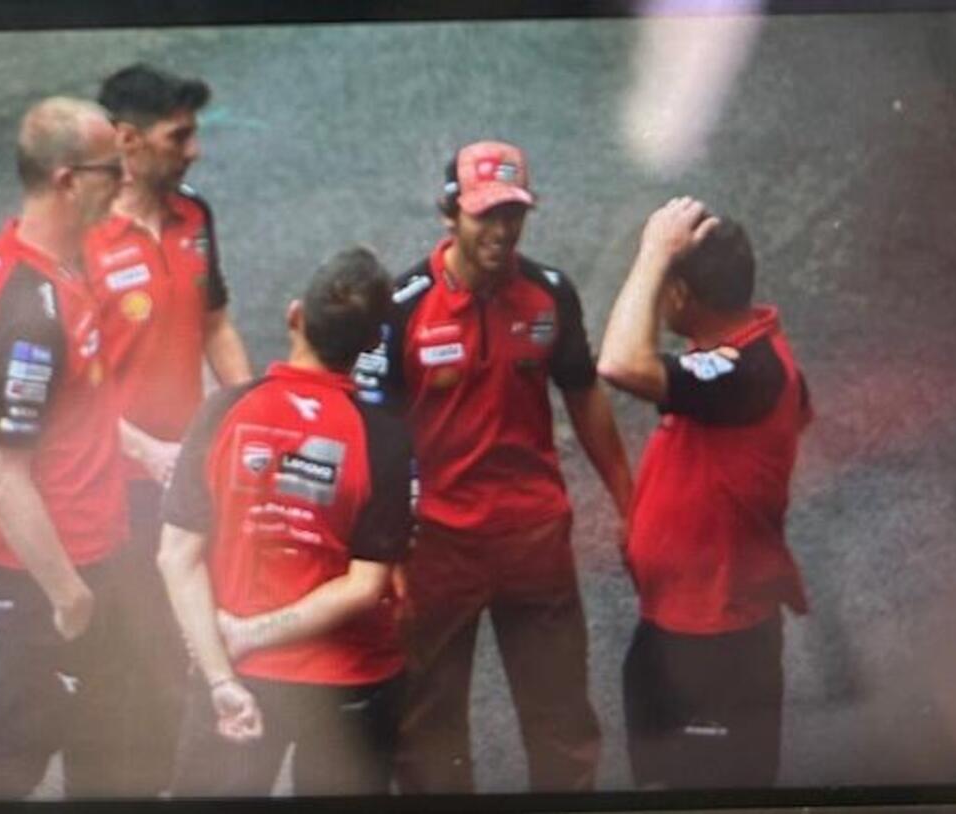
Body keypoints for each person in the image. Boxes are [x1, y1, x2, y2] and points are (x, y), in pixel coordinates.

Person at [355, 140, 632, 793]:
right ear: (450, 213)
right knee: (430, 732)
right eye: (486, 215)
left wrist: (631, 501)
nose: (502, 232)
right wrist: (381, 551)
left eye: (513, 214)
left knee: (562, 721)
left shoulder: (549, 294)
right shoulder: (400, 308)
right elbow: (372, 434)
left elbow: (584, 393)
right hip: (437, 549)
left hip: (535, 540)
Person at [158, 246, 413, 797]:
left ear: (294, 316)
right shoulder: (385, 439)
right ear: (372, 344)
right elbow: (366, 584)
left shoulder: (222, 412)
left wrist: (221, 675)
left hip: (239, 672)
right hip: (351, 682)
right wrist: (251, 634)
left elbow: (176, 556)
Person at [597, 196, 812, 788]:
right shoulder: (734, 356)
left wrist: (653, 252)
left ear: (680, 294)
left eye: (665, 284)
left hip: (717, 642)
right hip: (678, 625)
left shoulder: (749, 371)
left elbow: (619, 363)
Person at [0, 96, 128, 799]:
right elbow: (1, 477)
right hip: (54, 575)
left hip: (81, 555)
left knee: (106, 755)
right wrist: (69, 596)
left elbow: (70, 409)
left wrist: (145, 451)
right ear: (67, 181)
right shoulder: (31, 311)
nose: (124, 181)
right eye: (111, 169)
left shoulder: (19, 261)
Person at [85, 63, 253, 795]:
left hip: (184, 478)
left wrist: (250, 414)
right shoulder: (81, 237)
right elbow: (69, 387)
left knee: (180, 653)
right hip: (106, 490)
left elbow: (215, 324)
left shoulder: (195, 216)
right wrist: (144, 449)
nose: (194, 150)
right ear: (127, 140)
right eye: (178, 136)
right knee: (126, 665)